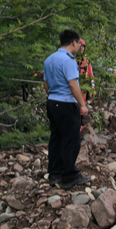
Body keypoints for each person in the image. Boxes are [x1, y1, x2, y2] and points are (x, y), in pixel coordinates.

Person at [43, 30, 90, 189]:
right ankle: (69, 176)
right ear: (74, 43)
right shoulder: (69, 60)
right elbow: (72, 84)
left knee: (56, 138)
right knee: (71, 140)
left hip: (52, 102)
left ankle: (54, 173)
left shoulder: (49, 59)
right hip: (66, 104)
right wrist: (82, 104)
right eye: (78, 43)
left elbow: (46, 84)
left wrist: (52, 95)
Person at [76, 39, 94, 104]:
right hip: (72, 87)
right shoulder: (70, 59)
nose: (81, 48)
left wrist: (92, 90)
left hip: (83, 88)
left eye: (83, 46)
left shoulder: (87, 62)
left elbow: (91, 76)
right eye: (80, 46)